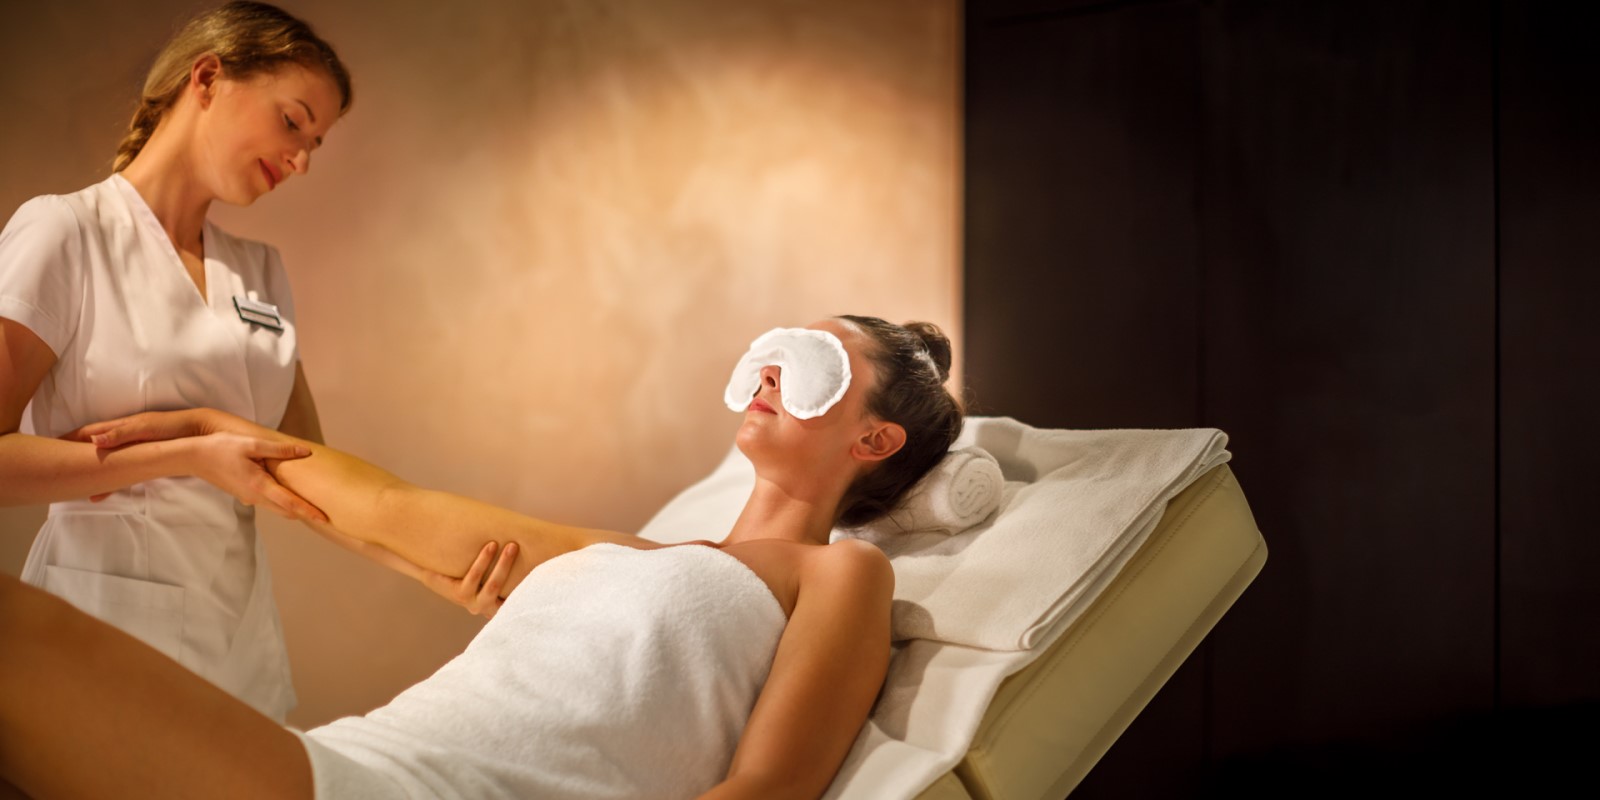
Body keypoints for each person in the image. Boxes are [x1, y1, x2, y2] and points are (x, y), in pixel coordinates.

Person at [0, 316, 966, 800]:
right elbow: (391, 510)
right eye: (774, 352)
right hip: (360, 758)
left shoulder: (843, 574)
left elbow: (764, 795)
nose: (770, 373)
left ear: (874, 439)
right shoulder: (627, 552)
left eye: (812, 366)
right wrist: (210, 430)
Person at [0, 2, 376, 721]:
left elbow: (310, 471)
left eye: (314, 145)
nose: (300, 161)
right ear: (207, 78)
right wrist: (186, 451)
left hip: (238, 646)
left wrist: (448, 569)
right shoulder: (66, 233)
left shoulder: (260, 273)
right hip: (96, 635)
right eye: (292, 122)